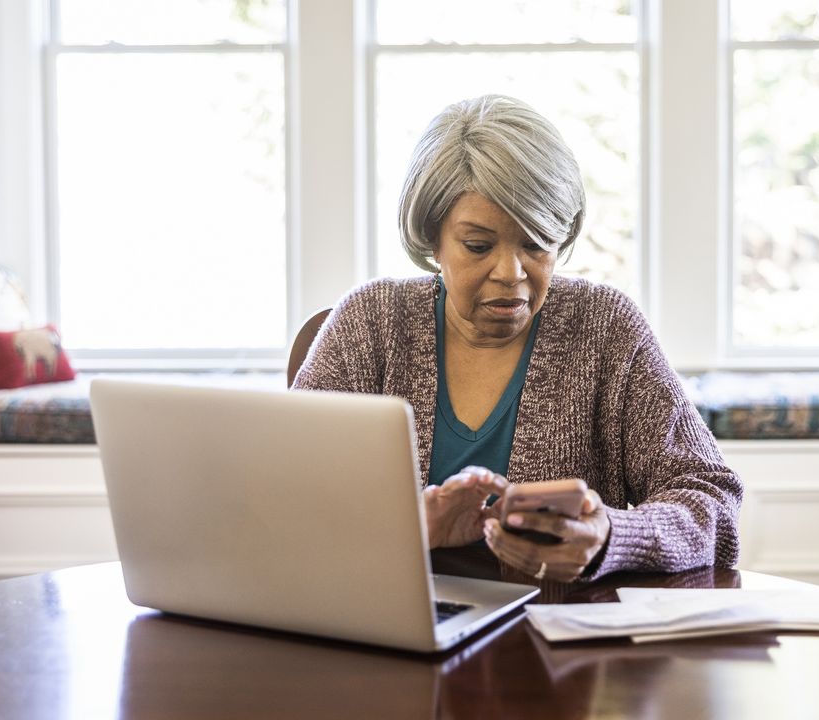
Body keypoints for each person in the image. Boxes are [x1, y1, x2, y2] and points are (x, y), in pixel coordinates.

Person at [293, 95, 740, 582]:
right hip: (386, 634)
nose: (510, 273)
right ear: (433, 237)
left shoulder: (605, 328)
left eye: (535, 243)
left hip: (560, 640)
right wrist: (402, 531)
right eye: (478, 246)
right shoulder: (370, 323)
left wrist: (612, 536)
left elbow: (711, 499)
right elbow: (284, 496)